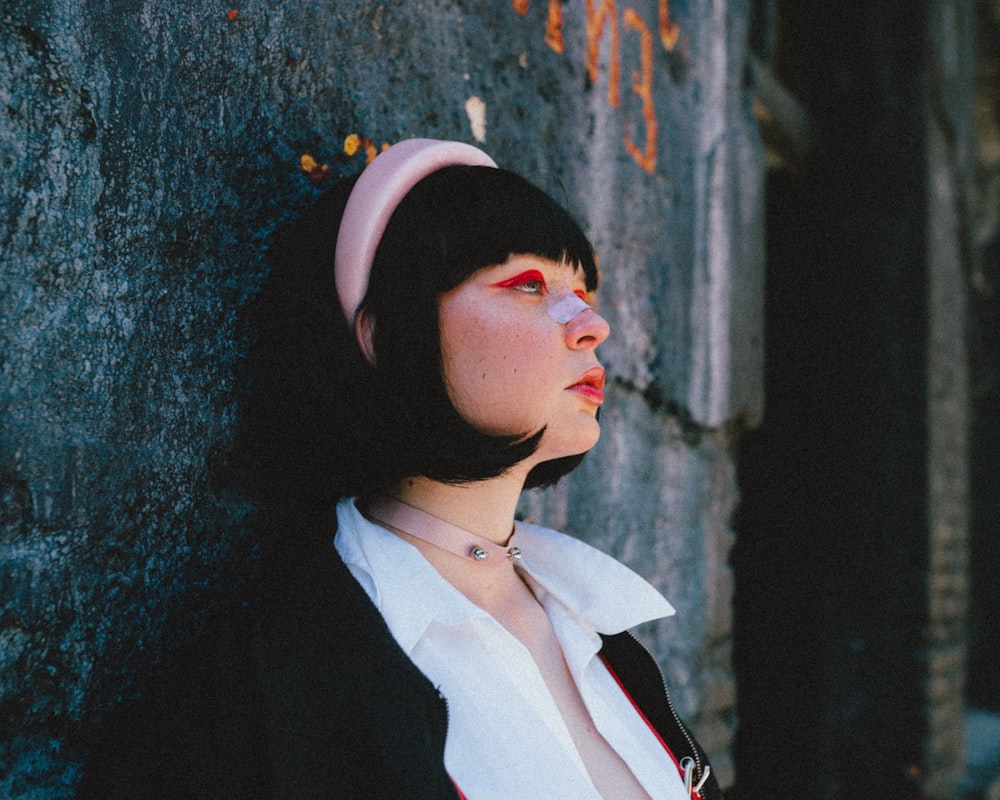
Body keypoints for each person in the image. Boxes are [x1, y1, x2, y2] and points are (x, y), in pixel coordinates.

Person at [78, 139, 721, 800]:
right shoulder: (266, 689)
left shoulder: (603, 632)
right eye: (528, 284)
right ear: (385, 334)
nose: (592, 325)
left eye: (583, 291)